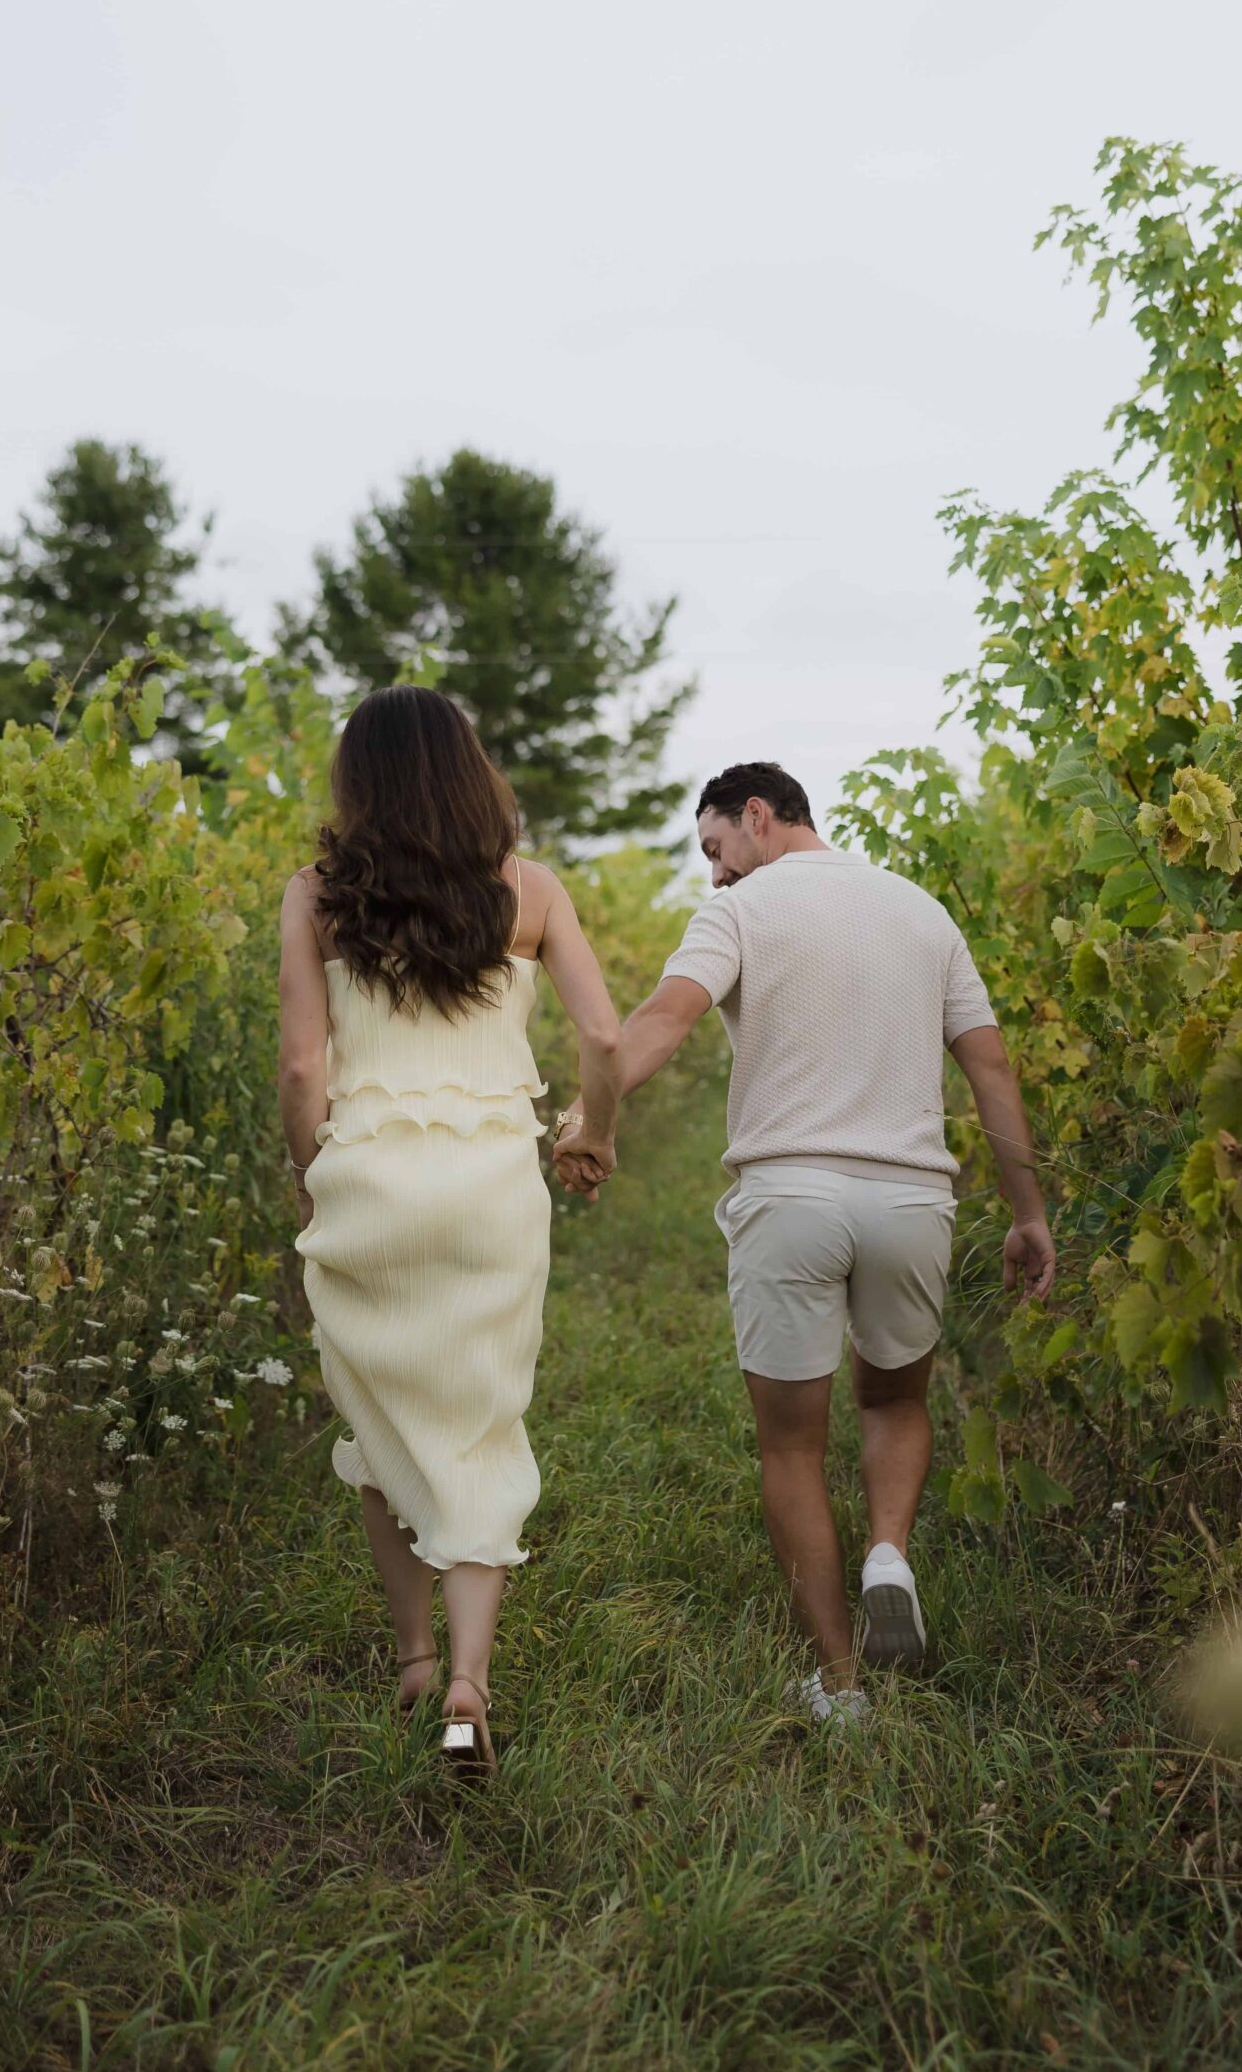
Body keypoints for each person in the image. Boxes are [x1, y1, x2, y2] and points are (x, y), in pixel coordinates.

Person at [555, 760, 1054, 1725]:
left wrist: (595, 1115)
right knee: (895, 1398)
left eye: (713, 850)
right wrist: (1026, 1208)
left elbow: (660, 1020)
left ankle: (839, 1683)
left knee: (790, 1442)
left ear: (756, 815)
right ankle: (888, 1555)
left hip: (789, 1196)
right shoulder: (920, 913)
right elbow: (989, 1066)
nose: (713, 875)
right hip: (911, 1201)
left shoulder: (744, 914)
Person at [279, 686, 621, 1776]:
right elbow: (604, 1038)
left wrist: (312, 1179)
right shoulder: (532, 895)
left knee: (383, 1419)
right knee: (478, 1421)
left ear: (359, 782)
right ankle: (473, 1684)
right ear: (471, 773)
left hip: (369, 1184)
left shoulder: (318, 896)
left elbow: (302, 1067)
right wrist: (592, 1134)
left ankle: (415, 1659)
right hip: (488, 1192)